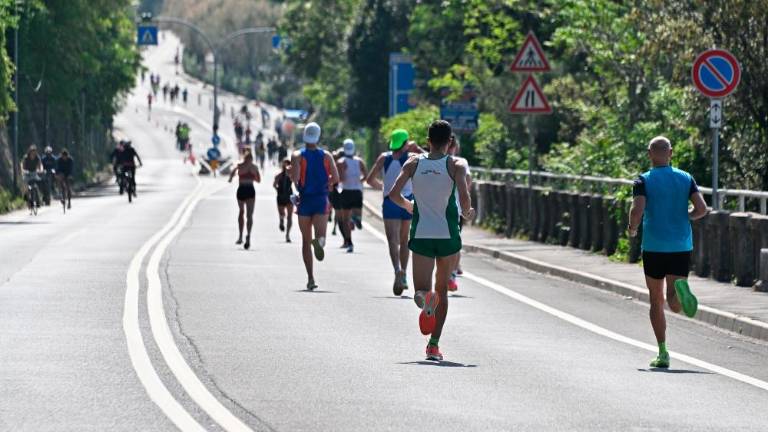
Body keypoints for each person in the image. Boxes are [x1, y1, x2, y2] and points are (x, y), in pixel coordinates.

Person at [388, 120, 474, 362]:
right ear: (450, 142)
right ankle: (433, 345)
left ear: (427, 141)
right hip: (447, 234)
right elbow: (465, 199)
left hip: (422, 232)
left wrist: (410, 206)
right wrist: (468, 212)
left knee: (420, 292)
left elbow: (393, 194)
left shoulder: (413, 163)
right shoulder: (456, 165)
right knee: (442, 291)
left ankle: (426, 300)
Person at [628, 136, 708, 369]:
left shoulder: (643, 180)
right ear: (670, 152)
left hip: (654, 246)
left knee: (656, 300)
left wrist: (632, 229)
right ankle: (680, 292)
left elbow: (637, 210)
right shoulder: (686, 178)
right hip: (681, 246)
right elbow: (702, 209)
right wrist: (686, 217)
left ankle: (663, 352)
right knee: (674, 301)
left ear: (649, 154)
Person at [366, 129, 424, 296]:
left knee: (392, 240)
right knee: (404, 240)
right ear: (405, 143)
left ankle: (397, 270)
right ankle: (404, 274)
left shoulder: (384, 158)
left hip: (390, 202)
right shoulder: (413, 158)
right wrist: (418, 148)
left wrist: (384, 188)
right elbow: (434, 159)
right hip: (407, 202)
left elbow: (370, 179)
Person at [289, 122, 340, 290]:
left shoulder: (297, 155)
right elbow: (336, 178)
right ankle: (319, 242)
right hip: (321, 200)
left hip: (304, 200)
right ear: (318, 136)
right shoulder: (326, 156)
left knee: (305, 241)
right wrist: (330, 183)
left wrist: (292, 174)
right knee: (321, 237)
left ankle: (310, 278)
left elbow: (295, 178)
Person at [446, 135, 472, 291]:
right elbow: (468, 183)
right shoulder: (461, 163)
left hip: (434, 209)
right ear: (454, 146)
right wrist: (466, 206)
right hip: (455, 209)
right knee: (455, 244)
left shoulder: (429, 161)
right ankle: (451, 275)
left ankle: (446, 275)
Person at [336, 139, 368, 253]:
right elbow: (366, 176)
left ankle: (349, 242)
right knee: (357, 214)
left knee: (345, 220)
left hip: (346, 191)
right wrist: (359, 181)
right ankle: (356, 219)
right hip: (357, 191)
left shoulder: (340, 162)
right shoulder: (360, 161)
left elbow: (341, 178)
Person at [228, 150, 261, 249]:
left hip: (244, 189)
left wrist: (232, 177)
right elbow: (258, 180)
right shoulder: (253, 167)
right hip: (247, 189)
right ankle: (244, 235)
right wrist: (251, 176)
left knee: (244, 213)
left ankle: (243, 236)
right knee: (247, 214)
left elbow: (233, 173)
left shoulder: (241, 166)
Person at [273, 159, 294, 243]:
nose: (286, 167)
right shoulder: (279, 176)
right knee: (282, 214)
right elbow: (274, 184)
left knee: (289, 217)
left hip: (289, 196)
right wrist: (278, 190)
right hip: (281, 196)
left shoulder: (291, 175)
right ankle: (281, 221)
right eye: (285, 165)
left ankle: (287, 235)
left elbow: (296, 182)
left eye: (288, 165)